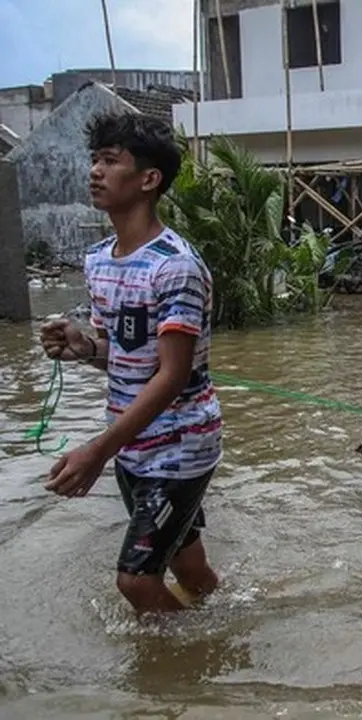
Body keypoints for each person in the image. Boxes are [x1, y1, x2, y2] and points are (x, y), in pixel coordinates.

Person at [38, 111, 222, 616]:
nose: (96, 170)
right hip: (133, 447)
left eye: (111, 161)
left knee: (135, 582)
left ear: (148, 179)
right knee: (188, 568)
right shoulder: (99, 260)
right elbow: (123, 356)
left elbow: (172, 375)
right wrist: (82, 348)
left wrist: (95, 452)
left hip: (180, 447)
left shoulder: (175, 265)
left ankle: (191, 672)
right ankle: (227, 622)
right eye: (95, 159)